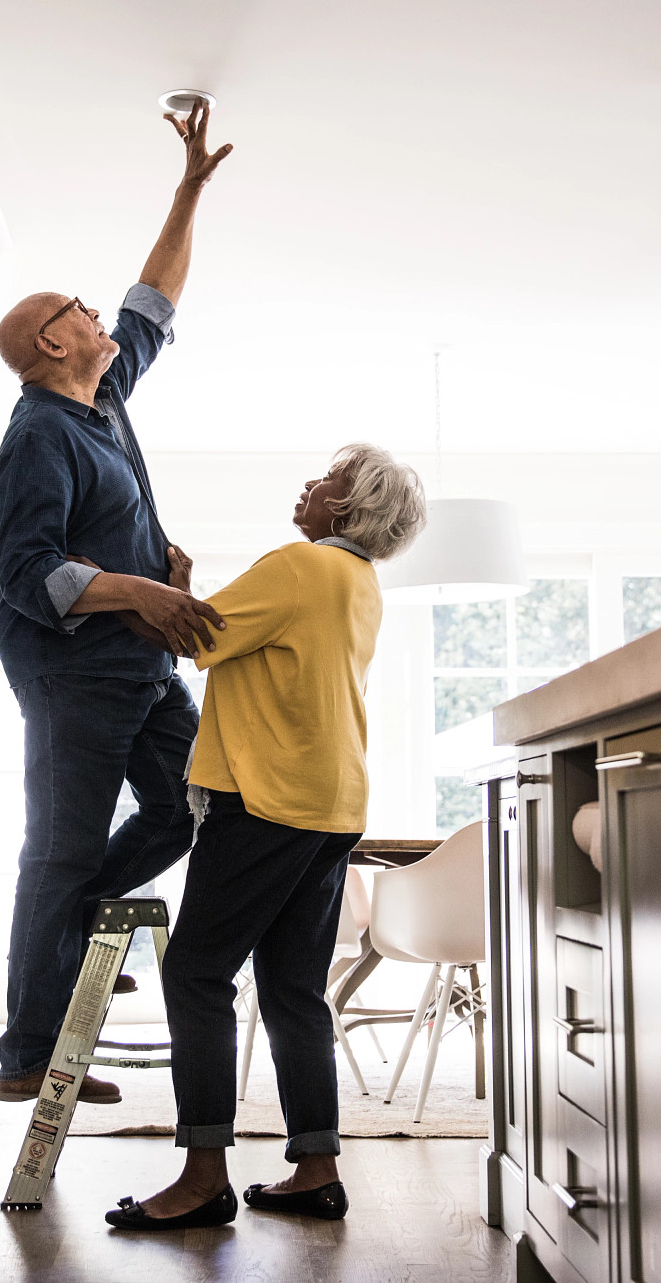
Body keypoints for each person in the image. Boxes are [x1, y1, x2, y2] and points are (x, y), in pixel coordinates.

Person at [104, 443, 428, 1231]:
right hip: (332, 804)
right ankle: (316, 1169)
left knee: (196, 973)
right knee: (292, 988)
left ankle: (203, 1174)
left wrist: (123, 585)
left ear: (348, 507)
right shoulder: (360, 583)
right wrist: (184, 593)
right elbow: (231, 639)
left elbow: (197, 638)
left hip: (268, 797)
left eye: (328, 480)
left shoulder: (299, 565)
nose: (310, 485)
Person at [0, 103, 233, 1105]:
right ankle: (28, 1057)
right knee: (62, 847)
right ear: (51, 342)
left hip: (142, 663)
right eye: (79, 310)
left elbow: (154, 299)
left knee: (192, 802)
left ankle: (83, 916)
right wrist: (137, 586)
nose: (100, 315)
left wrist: (186, 191)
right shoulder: (36, 435)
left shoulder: (106, 395)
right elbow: (29, 571)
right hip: (71, 669)